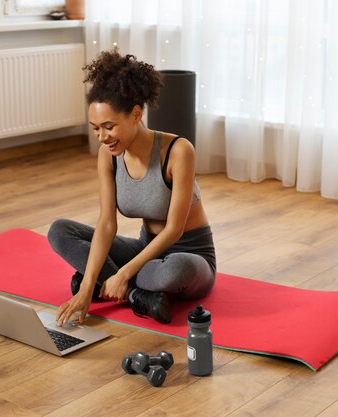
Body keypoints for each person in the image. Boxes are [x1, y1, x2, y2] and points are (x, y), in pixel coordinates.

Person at [47, 50, 216, 326]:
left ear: (136, 114)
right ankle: (138, 295)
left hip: (190, 255)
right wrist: (88, 286)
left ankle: (115, 281)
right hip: (145, 249)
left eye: (109, 126)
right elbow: (106, 225)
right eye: (95, 128)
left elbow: (174, 229)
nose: (102, 137)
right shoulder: (108, 156)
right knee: (60, 231)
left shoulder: (178, 151)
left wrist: (121, 274)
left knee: (175, 269)